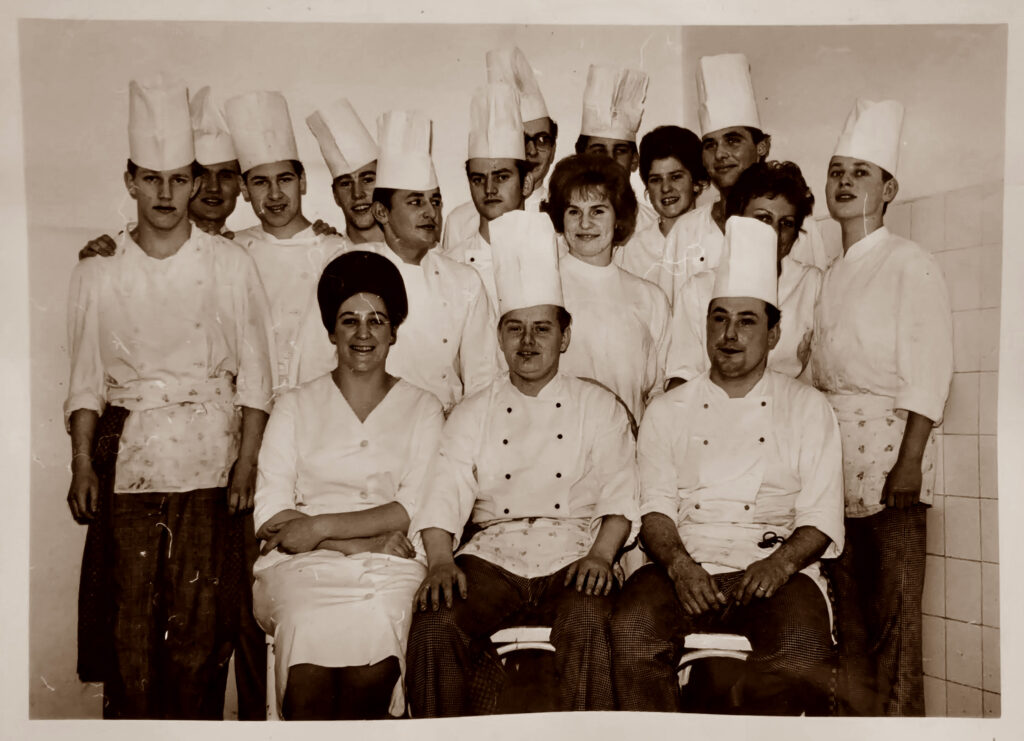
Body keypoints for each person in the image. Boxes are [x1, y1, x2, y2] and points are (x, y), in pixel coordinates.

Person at [64, 75, 275, 719]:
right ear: (129, 181)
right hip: (132, 465)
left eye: (179, 179)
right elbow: (83, 381)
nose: (165, 193)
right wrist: (79, 463)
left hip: (211, 466)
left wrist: (244, 463)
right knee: (130, 625)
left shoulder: (230, 263)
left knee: (199, 630)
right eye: (151, 178)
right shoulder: (98, 269)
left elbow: (258, 377)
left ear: (192, 183)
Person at [406, 210, 639, 716]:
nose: (527, 343)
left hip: (576, 548)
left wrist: (601, 556)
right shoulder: (473, 412)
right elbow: (444, 490)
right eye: (515, 329)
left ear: (565, 335)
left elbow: (622, 491)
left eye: (541, 328)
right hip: (493, 554)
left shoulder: (597, 407)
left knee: (588, 614)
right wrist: (442, 562)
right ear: (499, 335)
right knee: (433, 621)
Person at [611, 216, 844, 716]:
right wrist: (678, 565)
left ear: (774, 331)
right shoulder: (669, 409)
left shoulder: (807, 407)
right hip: (687, 561)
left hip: (772, 563)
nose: (730, 334)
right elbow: (654, 508)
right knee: (630, 633)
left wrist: (779, 565)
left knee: (802, 653)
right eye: (719, 318)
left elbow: (821, 517)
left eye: (747, 320)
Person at [252, 251, 443, 720]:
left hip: (391, 569)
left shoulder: (423, 407)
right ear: (331, 331)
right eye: (349, 320)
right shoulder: (293, 405)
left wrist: (317, 527)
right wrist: (362, 539)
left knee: (374, 648)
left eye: (376, 320)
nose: (363, 334)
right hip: (300, 567)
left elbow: (412, 507)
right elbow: (272, 514)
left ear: (394, 330)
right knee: (306, 641)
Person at [811, 99, 953, 717]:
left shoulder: (907, 262)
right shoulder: (831, 273)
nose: (844, 182)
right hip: (837, 468)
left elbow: (928, 370)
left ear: (889, 188)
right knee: (852, 627)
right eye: (837, 170)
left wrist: (909, 463)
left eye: (861, 172)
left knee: (895, 630)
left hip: (893, 464)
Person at [300, 110, 498, 415]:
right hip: (362, 422)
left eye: (435, 201)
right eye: (416, 202)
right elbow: (313, 363)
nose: (431, 213)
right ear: (382, 213)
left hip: (444, 426)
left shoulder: (464, 280)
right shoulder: (349, 267)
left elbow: (482, 379)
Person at [663, 54, 837, 386]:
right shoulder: (685, 231)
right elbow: (680, 350)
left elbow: (814, 333)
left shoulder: (804, 232)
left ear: (762, 147)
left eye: (733, 140)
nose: (721, 154)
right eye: (710, 144)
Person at [225, 90, 349, 392]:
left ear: (302, 181)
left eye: (285, 179)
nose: (275, 194)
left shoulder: (338, 251)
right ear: (244, 189)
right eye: (260, 182)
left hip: (318, 401)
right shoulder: (231, 250)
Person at [542, 153, 670, 426]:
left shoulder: (650, 298)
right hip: (555, 445)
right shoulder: (544, 286)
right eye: (574, 211)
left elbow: (658, 393)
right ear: (560, 219)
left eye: (598, 211)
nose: (585, 224)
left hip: (628, 451)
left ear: (618, 218)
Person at [670, 160, 822, 383]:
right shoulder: (697, 289)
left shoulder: (812, 284)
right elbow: (681, 378)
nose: (774, 232)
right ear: (737, 221)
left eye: (787, 223)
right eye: (763, 219)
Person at [441, 47, 557, 251]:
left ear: (554, 148)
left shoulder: (566, 215)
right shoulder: (460, 221)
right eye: (522, 139)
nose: (531, 151)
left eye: (541, 139)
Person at [444, 82, 534, 312]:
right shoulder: (450, 264)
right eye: (478, 179)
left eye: (502, 177)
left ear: (526, 183)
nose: (489, 189)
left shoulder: (552, 254)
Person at [614, 125, 709, 299]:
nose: (666, 188)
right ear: (647, 189)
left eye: (676, 177)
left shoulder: (713, 238)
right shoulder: (632, 249)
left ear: (695, 182)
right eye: (655, 180)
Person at [575, 63, 657, 231]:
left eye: (620, 151)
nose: (609, 160)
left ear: (634, 160)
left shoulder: (653, 226)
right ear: (580, 157)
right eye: (598, 151)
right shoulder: (566, 224)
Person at [307, 97, 385, 245]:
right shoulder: (327, 254)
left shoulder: (416, 255)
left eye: (367, 180)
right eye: (345, 183)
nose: (357, 194)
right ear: (335, 195)